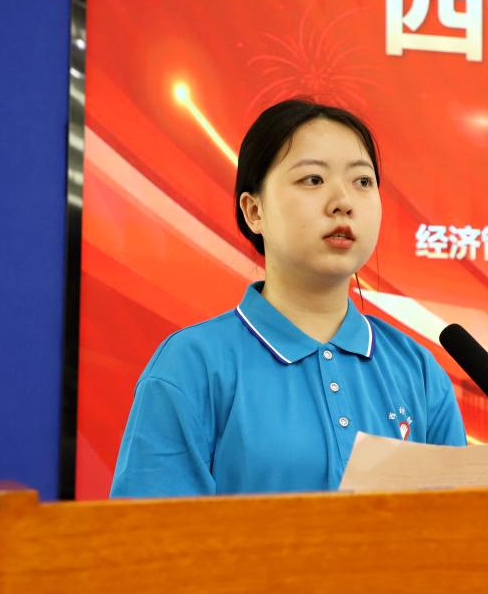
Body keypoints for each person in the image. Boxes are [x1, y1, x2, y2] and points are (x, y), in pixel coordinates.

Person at [110, 99, 466, 498]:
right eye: (313, 179)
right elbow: (150, 533)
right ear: (254, 211)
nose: (343, 202)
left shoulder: (417, 370)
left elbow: (458, 524)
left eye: (362, 182)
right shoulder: (192, 365)